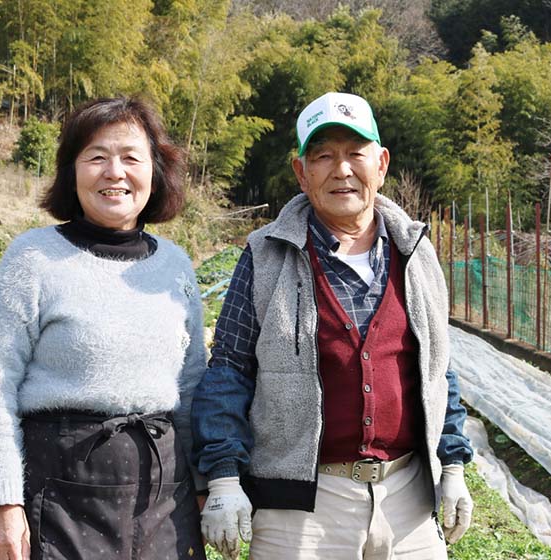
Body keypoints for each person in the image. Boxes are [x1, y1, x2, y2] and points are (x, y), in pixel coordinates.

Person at [191, 92, 474, 560]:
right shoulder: (266, 256)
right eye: (323, 156)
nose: (341, 170)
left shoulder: (415, 253)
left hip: (408, 498)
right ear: (302, 173)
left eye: (354, 154)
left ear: (381, 164)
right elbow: (228, 370)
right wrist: (223, 477)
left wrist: (453, 464)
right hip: (301, 510)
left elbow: (437, 369)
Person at [0, 97, 207, 560]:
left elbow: (192, 386)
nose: (114, 172)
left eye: (131, 157)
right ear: (71, 171)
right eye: (97, 156)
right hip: (54, 498)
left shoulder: (176, 267)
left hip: (161, 501)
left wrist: (201, 487)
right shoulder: (33, 259)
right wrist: (4, 502)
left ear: (155, 171)